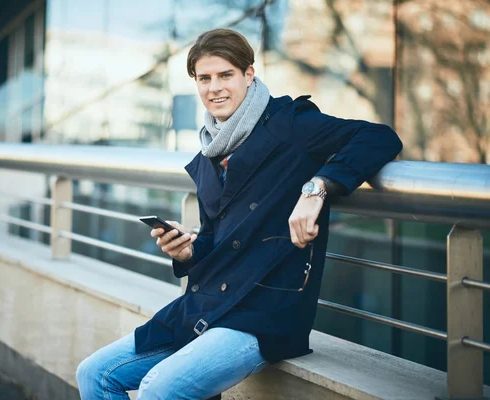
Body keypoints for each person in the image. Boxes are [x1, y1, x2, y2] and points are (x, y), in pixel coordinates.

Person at [76, 28, 402, 400]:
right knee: (94, 375)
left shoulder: (290, 124)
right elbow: (216, 239)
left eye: (225, 75)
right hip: (210, 304)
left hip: (264, 312)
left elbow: (379, 137)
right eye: (205, 78)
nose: (215, 88)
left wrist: (317, 189)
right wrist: (188, 251)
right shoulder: (208, 155)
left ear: (249, 75)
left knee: (158, 389)